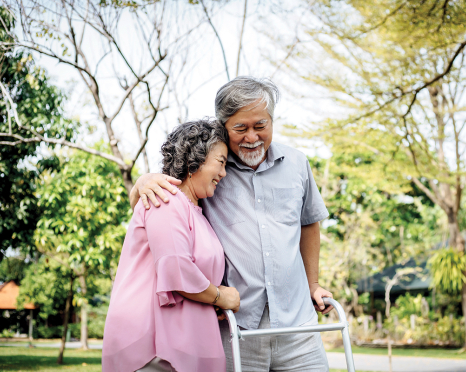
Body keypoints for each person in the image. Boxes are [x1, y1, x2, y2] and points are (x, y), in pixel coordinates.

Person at [131, 77, 333, 372]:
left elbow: (309, 223)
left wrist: (313, 284)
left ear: (272, 121)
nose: (252, 137)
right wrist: (142, 181)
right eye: (241, 128)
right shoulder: (211, 170)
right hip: (235, 326)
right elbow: (162, 204)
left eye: (260, 126)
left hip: (298, 325)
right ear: (224, 127)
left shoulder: (298, 163)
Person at [103, 119, 240, 372]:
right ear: (195, 160)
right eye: (220, 163)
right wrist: (221, 297)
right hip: (155, 352)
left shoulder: (197, 211)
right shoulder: (165, 199)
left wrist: (211, 299)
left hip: (187, 346)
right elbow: (177, 269)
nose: (224, 173)